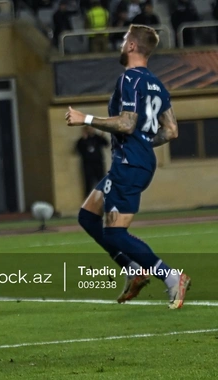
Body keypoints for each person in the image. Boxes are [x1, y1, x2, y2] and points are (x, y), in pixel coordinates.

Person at [65, 25, 190, 309]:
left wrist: (85, 119)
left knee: (115, 234)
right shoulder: (158, 84)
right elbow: (171, 131)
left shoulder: (129, 79)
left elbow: (126, 123)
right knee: (87, 216)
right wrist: (144, 143)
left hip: (130, 163)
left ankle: (171, 277)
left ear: (132, 46)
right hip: (134, 161)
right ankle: (134, 270)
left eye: (124, 41)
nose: (121, 45)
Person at [75, 126, 108, 198]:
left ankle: (103, 200)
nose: (91, 130)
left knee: (101, 182)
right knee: (88, 184)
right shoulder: (82, 140)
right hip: (87, 165)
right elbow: (77, 150)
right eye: (89, 129)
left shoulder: (97, 138)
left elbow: (106, 144)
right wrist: (84, 139)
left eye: (92, 129)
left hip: (98, 164)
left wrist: (102, 137)